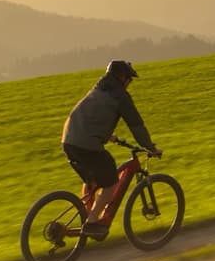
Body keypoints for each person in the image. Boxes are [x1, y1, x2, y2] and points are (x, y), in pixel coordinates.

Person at [60, 59, 161, 236]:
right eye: (129, 80)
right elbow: (136, 125)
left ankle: (86, 216)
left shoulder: (97, 89)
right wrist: (150, 147)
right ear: (121, 78)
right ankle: (92, 224)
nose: (129, 84)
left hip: (68, 141)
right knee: (112, 181)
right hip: (86, 145)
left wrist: (108, 136)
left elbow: (92, 118)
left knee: (92, 181)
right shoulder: (120, 96)